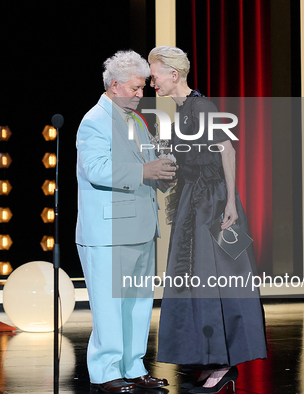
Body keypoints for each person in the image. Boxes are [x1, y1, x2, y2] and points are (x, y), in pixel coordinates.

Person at [148, 46, 267, 393]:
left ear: (174, 74)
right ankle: (209, 358)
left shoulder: (200, 106)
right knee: (196, 279)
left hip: (212, 202)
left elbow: (226, 149)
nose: (152, 81)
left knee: (217, 279)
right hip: (194, 200)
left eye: (155, 74)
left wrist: (230, 200)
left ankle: (224, 364)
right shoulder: (184, 110)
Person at [76, 50, 174, 393]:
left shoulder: (137, 121)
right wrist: (144, 170)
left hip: (140, 227)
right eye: (134, 88)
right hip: (109, 231)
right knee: (109, 306)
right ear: (114, 85)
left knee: (137, 304)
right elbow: (96, 169)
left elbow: (146, 168)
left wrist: (164, 170)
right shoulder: (95, 120)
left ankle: (133, 366)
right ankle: (105, 372)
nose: (140, 93)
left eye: (142, 87)